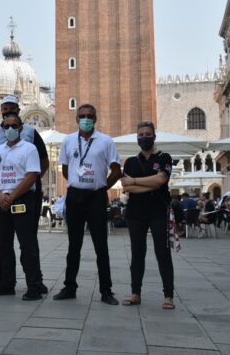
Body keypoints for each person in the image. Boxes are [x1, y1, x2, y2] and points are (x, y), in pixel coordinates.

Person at [54, 103, 122, 305]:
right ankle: (69, 287)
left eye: (89, 116)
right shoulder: (68, 141)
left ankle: (106, 290)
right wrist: (77, 182)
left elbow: (116, 169)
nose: (86, 119)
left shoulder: (106, 141)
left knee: (101, 245)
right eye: (82, 115)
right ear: (76, 119)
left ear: (96, 119)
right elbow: (65, 169)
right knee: (73, 245)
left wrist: (102, 186)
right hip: (75, 197)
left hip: (96, 197)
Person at [0, 95, 50, 294]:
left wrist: (13, 195)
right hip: (0, 200)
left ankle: (35, 285)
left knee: (27, 243)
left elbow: (34, 172)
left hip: (23, 198)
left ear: (20, 125)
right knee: (2, 244)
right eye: (6, 124)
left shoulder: (29, 145)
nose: (10, 128)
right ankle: (5, 283)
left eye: (14, 124)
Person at [120, 121, 175, 310]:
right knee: (137, 253)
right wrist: (149, 184)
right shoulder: (130, 162)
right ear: (137, 138)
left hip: (159, 211)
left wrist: (136, 181)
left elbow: (161, 179)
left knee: (163, 253)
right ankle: (135, 293)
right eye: (141, 134)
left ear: (154, 136)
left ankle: (168, 295)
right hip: (135, 213)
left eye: (148, 133)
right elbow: (126, 187)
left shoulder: (164, 157)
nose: (144, 137)